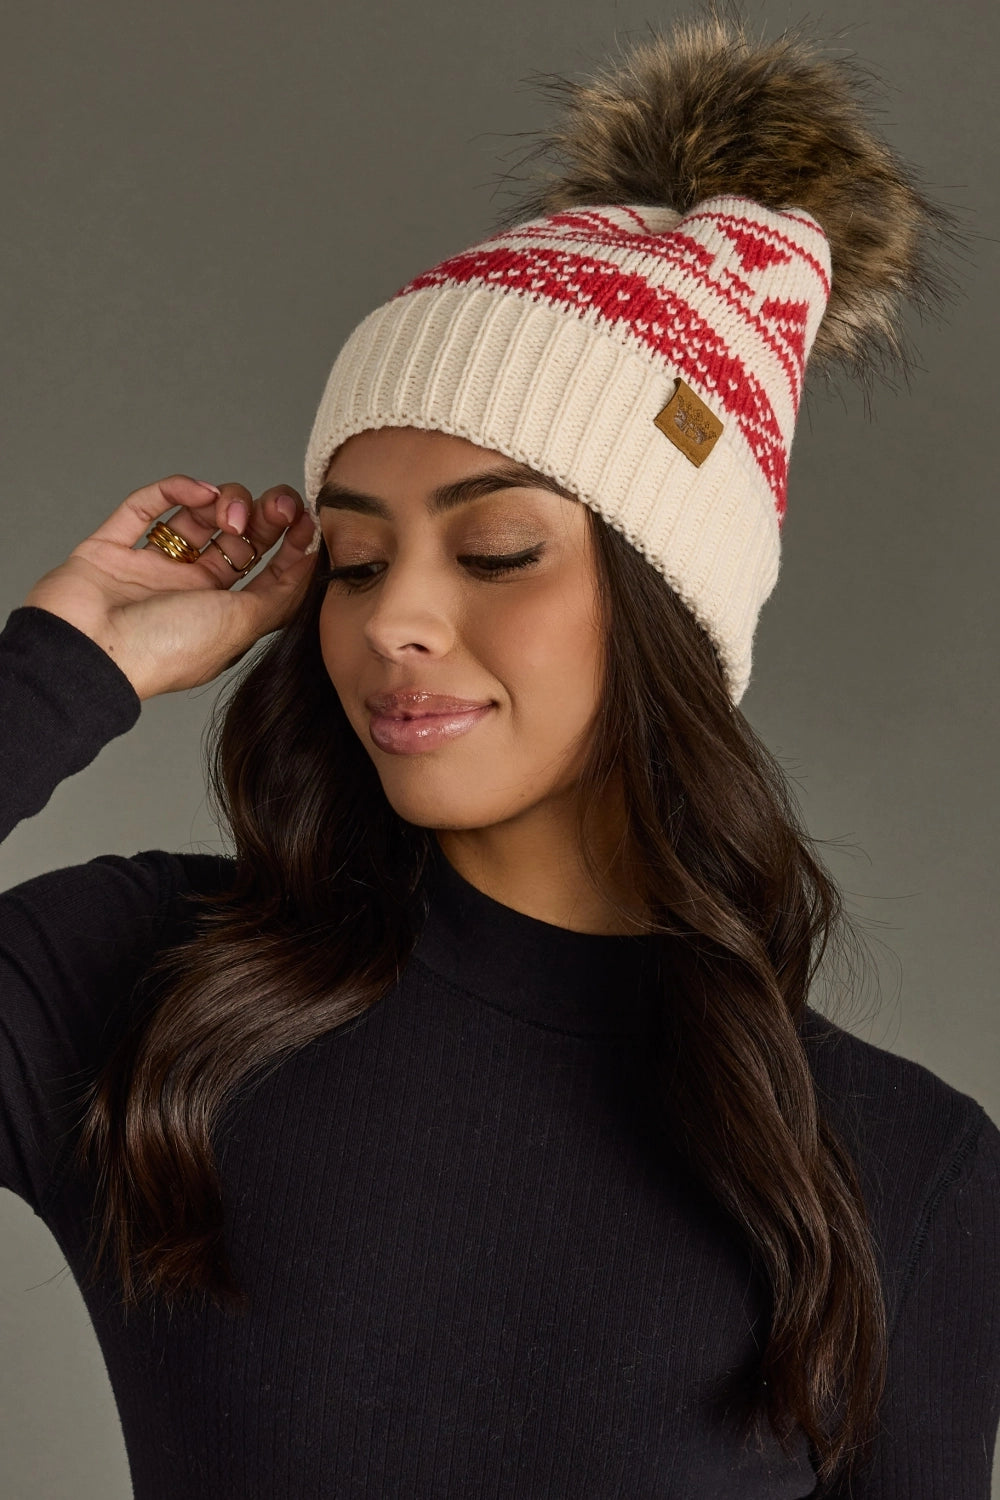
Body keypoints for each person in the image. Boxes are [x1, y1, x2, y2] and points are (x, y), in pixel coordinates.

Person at [2, 9, 998, 1498]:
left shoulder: (900, 1171)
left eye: (497, 550)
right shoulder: (148, 992)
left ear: (671, 608)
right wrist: (63, 663)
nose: (392, 620)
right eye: (352, 563)